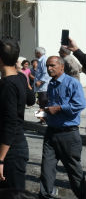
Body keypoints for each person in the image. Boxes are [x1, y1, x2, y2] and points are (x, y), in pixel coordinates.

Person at [0, 38, 36, 191]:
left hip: (11, 151)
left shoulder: (8, 84)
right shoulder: (20, 77)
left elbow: (10, 124)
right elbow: (31, 99)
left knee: (13, 194)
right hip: (15, 146)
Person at [38, 56, 86, 199]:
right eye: (47, 66)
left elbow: (79, 105)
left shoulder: (72, 83)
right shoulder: (51, 84)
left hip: (68, 135)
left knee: (74, 173)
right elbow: (53, 106)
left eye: (52, 65)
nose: (49, 68)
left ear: (62, 67)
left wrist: (58, 109)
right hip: (51, 132)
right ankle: (45, 196)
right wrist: (45, 114)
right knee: (46, 170)